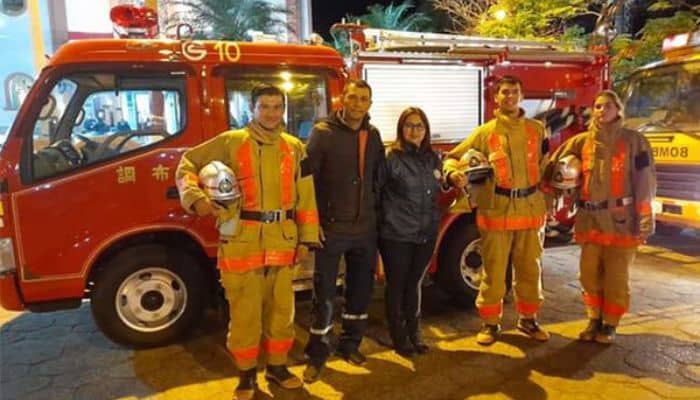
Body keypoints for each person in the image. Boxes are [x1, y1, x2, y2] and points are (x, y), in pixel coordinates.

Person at [175, 84, 320, 400]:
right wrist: (196, 198)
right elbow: (187, 164)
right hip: (242, 241)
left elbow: (306, 196)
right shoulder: (232, 141)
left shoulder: (295, 148)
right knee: (245, 314)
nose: (270, 113)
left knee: (283, 312)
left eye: (276, 107)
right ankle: (246, 375)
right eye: (263, 106)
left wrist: (307, 239)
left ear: (283, 110)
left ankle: (278, 368)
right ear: (252, 110)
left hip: (283, 241)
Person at [444, 75, 550, 346]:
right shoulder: (485, 132)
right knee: (493, 270)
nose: (510, 97)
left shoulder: (537, 130)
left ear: (522, 96)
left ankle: (528, 320)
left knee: (530, 269)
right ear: (497, 97)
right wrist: (454, 173)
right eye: (505, 92)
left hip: (530, 210)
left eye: (514, 92)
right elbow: (453, 157)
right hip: (496, 211)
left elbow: (547, 165)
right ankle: (490, 324)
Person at [545, 90, 656, 344]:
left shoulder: (635, 142)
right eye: (597, 106)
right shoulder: (582, 142)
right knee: (588, 274)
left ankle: (610, 324)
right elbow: (552, 165)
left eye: (607, 106)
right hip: (590, 219)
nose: (601, 110)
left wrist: (644, 218)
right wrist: (549, 193)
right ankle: (593, 319)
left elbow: (645, 180)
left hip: (621, 221)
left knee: (616, 277)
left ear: (618, 110)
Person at [302, 80, 385, 381]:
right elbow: (306, 181)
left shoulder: (373, 136)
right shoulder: (322, 134)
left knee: (360, 291)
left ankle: (350, 345)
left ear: (369, 104)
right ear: (343, 99)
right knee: (323, 294)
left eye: (364, 98)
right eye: (353, 97)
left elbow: (379, 179)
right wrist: (312, 223)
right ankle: (317, 354)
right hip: (331, 229)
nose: (358, 104)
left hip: (365, 229)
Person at [378, 107, 443, 357]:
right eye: (409, 125)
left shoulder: (432, 158)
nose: (414, 130)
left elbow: (437, 187)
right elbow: (377, 193)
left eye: (419, 126)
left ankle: (415, 332)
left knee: (415, 283)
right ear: (401, 129)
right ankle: (399, 336)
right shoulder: (390, 157)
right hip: (396, 234)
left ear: (425, 130)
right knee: (397, 285)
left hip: (425, 234)